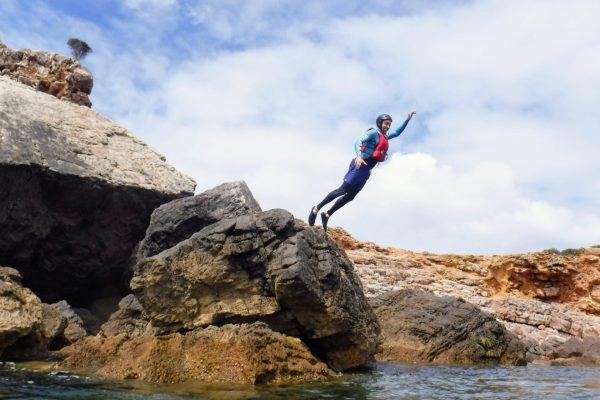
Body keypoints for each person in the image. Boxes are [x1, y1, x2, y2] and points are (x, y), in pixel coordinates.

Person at [308, 112, 416, 231]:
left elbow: (397, 133)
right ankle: (316, 209)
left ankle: (327, 214)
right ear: (380, 123)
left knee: (350, 196)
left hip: (366, 171)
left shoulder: (385, 137)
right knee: (342, 190)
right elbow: (358, 141)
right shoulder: (373, 133)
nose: (388, 126)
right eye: (386, 124)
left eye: (389, 124)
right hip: (359, 165)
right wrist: (359, 156)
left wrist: (407, 120)